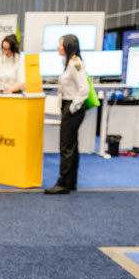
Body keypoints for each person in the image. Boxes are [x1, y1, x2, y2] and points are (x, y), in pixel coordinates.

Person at [45, 34, 89, 194]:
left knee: (66, 147)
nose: (58, 47)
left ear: (68, 46)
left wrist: (72, 108)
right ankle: (70, 182)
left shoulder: (75, 64)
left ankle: (63, 183)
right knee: (72, 146)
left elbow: (84, 89)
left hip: (72, 108)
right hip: (69, 106)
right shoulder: (69, 63)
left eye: (61, 44)